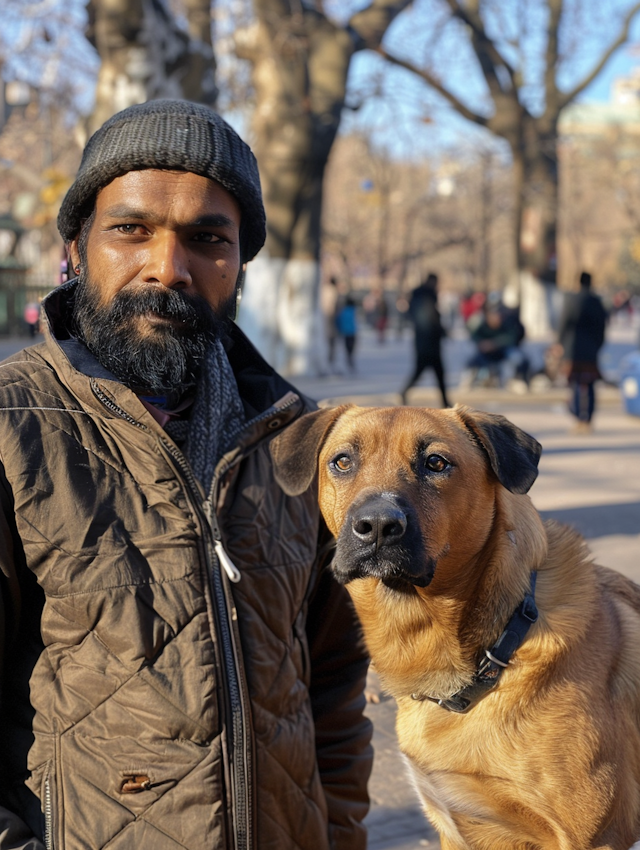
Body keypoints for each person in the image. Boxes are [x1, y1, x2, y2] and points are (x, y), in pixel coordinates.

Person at [0, 100, 372, 850]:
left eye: (207, 239)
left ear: (238, 264)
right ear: (74, 247)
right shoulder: (13, 430)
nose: (168, 267)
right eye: (131, 230)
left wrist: (336, 834)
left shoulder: (303, 438)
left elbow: (333, 683)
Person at [557, 270, 607, 432]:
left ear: (578, 282)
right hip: (591, 350)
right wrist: (598, 345)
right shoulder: (596, 301)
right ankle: (589, 419)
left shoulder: (571, 300)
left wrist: (560, 343)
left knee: (575, 383)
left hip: (573, 349)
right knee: (590, 384)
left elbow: (564, 323)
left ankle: (579, 418)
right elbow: (602, 326)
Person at [400, 273, 450, 407]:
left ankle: (444, 401)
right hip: (430, 342)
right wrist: (441, 331)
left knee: (432, 372)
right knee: (435, 372)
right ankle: (444, 402)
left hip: (422, 341)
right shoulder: (427, 296)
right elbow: (431, 319)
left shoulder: (417, 296)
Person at [335, 294, 358, 373]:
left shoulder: (343, 311)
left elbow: (338, 320)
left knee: (347, 347)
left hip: (345, 332)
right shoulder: (353, 311)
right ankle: (350, 359)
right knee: (351, 348)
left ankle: (349, 359)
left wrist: (339, 329)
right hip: (352, 332)